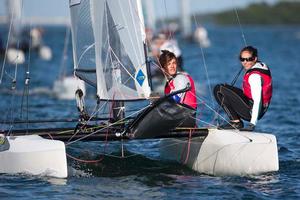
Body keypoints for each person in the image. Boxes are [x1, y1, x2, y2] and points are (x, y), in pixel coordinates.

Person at [213, 46, 272, 131]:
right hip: (257, 108)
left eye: (249, 59)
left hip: (251, 112)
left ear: (255, 58)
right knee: (225, 87)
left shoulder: (254, 76)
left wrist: (252, 124)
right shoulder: (262, 66)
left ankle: (236, 122)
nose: (245, 62)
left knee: (218, 89)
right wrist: (249, 62)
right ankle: (237, 122)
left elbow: (257, 101)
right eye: (242, 59)